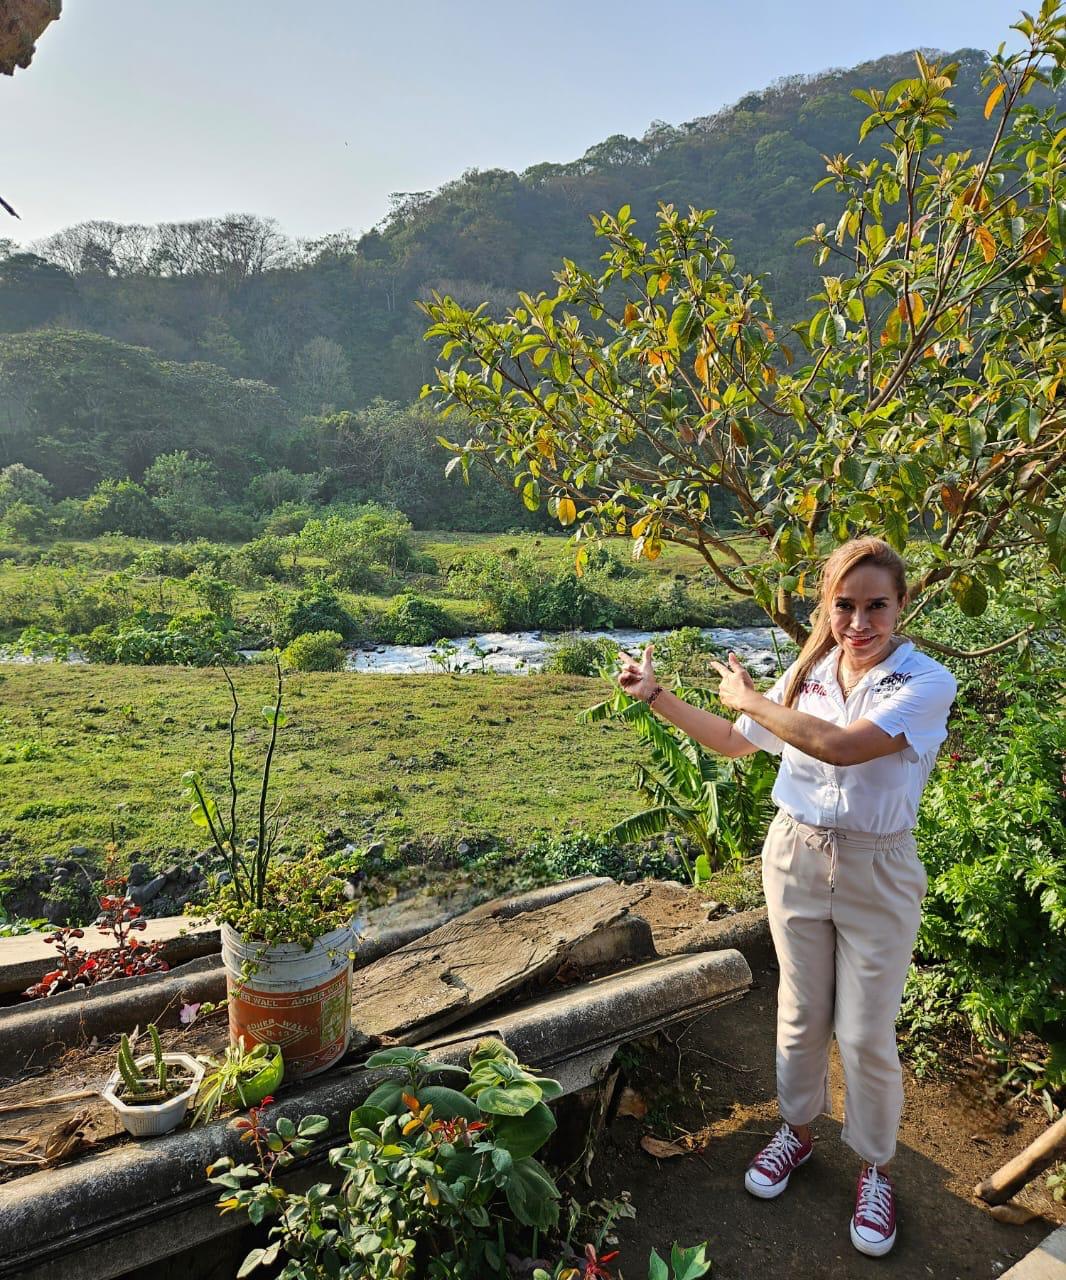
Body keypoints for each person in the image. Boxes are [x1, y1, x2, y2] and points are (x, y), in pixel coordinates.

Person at [616, 536, 957, 1259]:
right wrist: (660, 696)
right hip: (796, 853)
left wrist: (748, 698)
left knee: (866, 1031)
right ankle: (797, 1134)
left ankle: (875, 1166)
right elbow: (737, 744)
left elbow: (837, 746)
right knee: (800, 1014)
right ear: (826, 605)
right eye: (844, 605)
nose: (859, 622)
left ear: (902, 606)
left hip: (879, 868)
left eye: (876, 606)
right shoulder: (807, 672)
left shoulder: (924, 682)